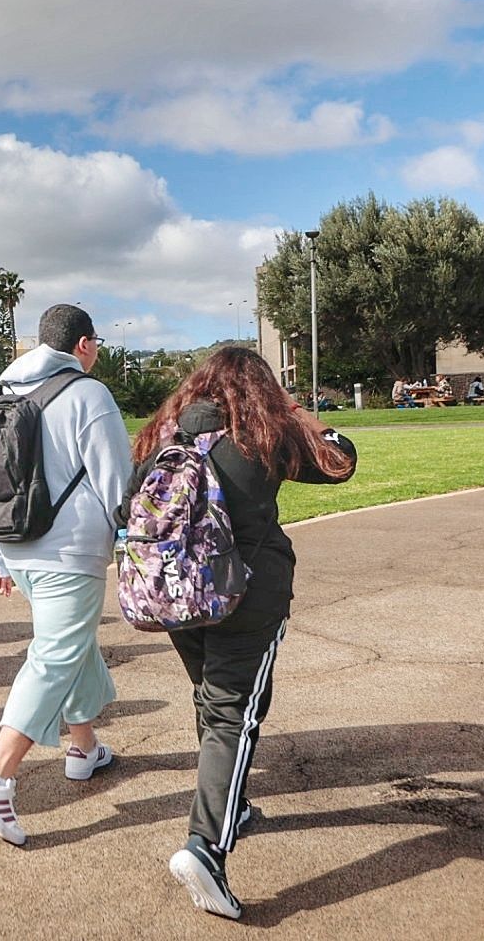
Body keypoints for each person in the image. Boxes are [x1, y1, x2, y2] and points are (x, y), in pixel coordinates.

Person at [129, 346, 356, 920]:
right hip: (249, 591)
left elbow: (124, 509)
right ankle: (206, 846)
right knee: (235, 711)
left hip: (177, 596)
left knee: (212, 697)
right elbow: (340, 464)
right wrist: (312, 420)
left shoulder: (164, 436)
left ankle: (234, 804)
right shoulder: (265, 434)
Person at [0, 304, 132, 847]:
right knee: (55, 655)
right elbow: (117, 482)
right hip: (70, 552)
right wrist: (130, 547)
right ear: (82, 345)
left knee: (71, 646)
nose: (97, 351)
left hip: (19, 547)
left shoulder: (2, 394)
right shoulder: (89, 395)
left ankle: (82, 747)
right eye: (96, 342)